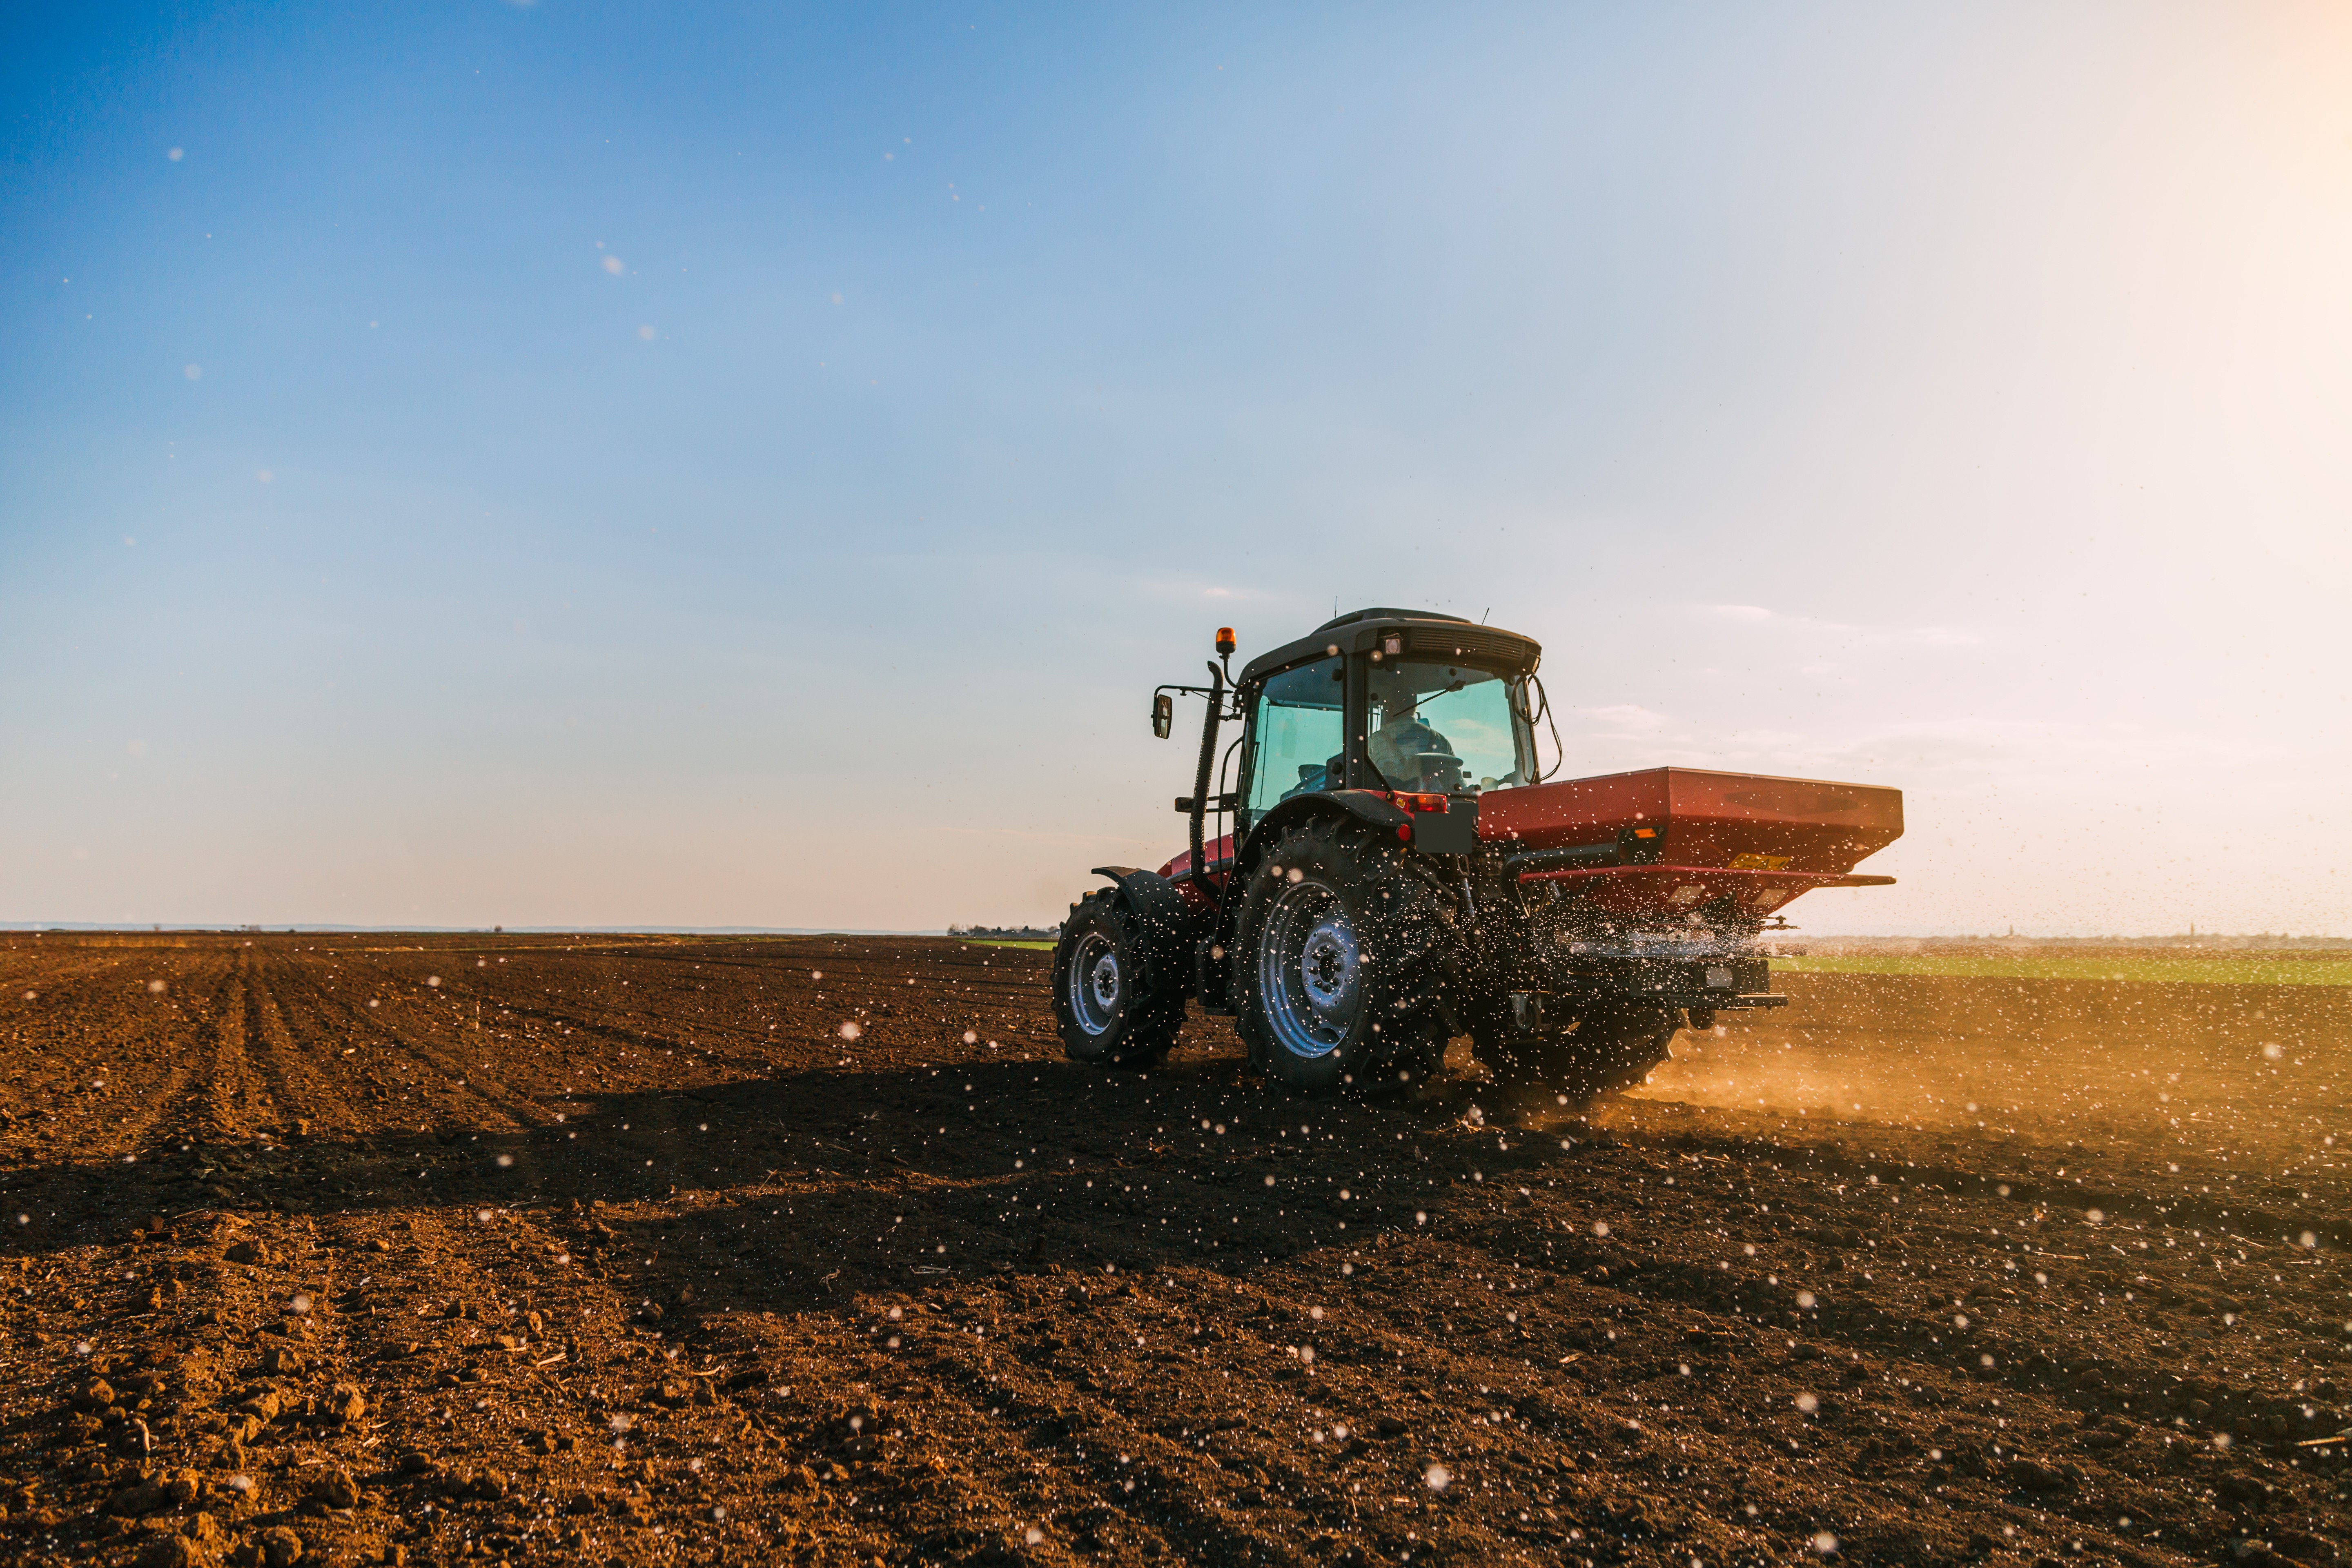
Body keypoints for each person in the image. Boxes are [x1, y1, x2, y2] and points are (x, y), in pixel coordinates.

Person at [1367, 688, 1457, 789]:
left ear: (1391, 707)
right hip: (1437, 803)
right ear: (1414, 708)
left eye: (1385, 706)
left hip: (1391, 803)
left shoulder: (1374, 742)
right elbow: (1457, 784)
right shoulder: (1440, 740)